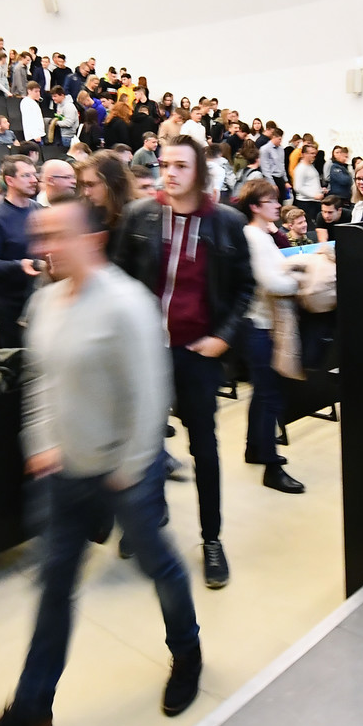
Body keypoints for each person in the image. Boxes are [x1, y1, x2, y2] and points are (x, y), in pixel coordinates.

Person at [0, 197, 200, 726]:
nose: (44, 247)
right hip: (65, 473)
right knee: (55, 587)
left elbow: (151, 396)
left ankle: (187, 651)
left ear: (92, 241)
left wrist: (127, 470)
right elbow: (41, 381)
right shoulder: (46, 301)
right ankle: (32, 711)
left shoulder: (126, 304)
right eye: (40, 236)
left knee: (158, 564)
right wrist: (40, 443)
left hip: (125, 473)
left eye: (57, 235)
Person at [113, 136, 254, 589]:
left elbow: (244, 287)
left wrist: (222, 337)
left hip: (197, 353)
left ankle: (211, 538)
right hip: (147, 353)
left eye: (181, 166)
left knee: (203, 448)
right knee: (145, 444)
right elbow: (118, 279)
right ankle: (147, 522)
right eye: (165, 164)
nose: (170, 173)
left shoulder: (227, 222)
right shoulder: (140, 215)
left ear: (199, 173)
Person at [239, 180, 307, 494]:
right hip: (259, 326)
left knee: (262, 393)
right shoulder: (253, 237)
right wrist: (301, 282)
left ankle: (255, 448)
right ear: (255, 206)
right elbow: (272, 283)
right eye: (270, 201)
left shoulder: (263, 235)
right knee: (270, 396)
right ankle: (271, 467)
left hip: (261, 324)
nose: (278, 205)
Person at [0, 155, 40, 348]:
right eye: (26, 175)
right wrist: (19, 265)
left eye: (34, 174)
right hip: (12, 305)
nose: (34, 180)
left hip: (39, 298)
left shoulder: (39, 210)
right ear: (10, 180)